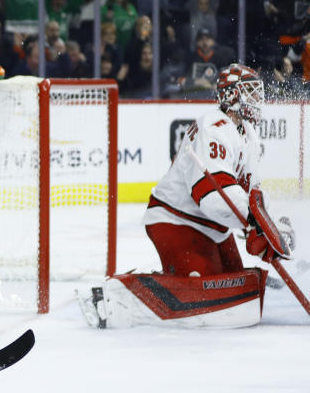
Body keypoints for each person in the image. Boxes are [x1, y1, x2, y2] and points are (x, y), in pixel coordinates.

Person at [78, 64, 294, 329]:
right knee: (200, 289)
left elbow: (252, 190)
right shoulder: (213, 127)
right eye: (249, 92)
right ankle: (114, 295)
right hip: (175, 220)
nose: (256, 99)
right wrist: (252, 220)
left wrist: (267, 223)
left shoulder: (248, 133)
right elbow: (212, 197)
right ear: (231, 96)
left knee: (234, 284)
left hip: (214, 228)